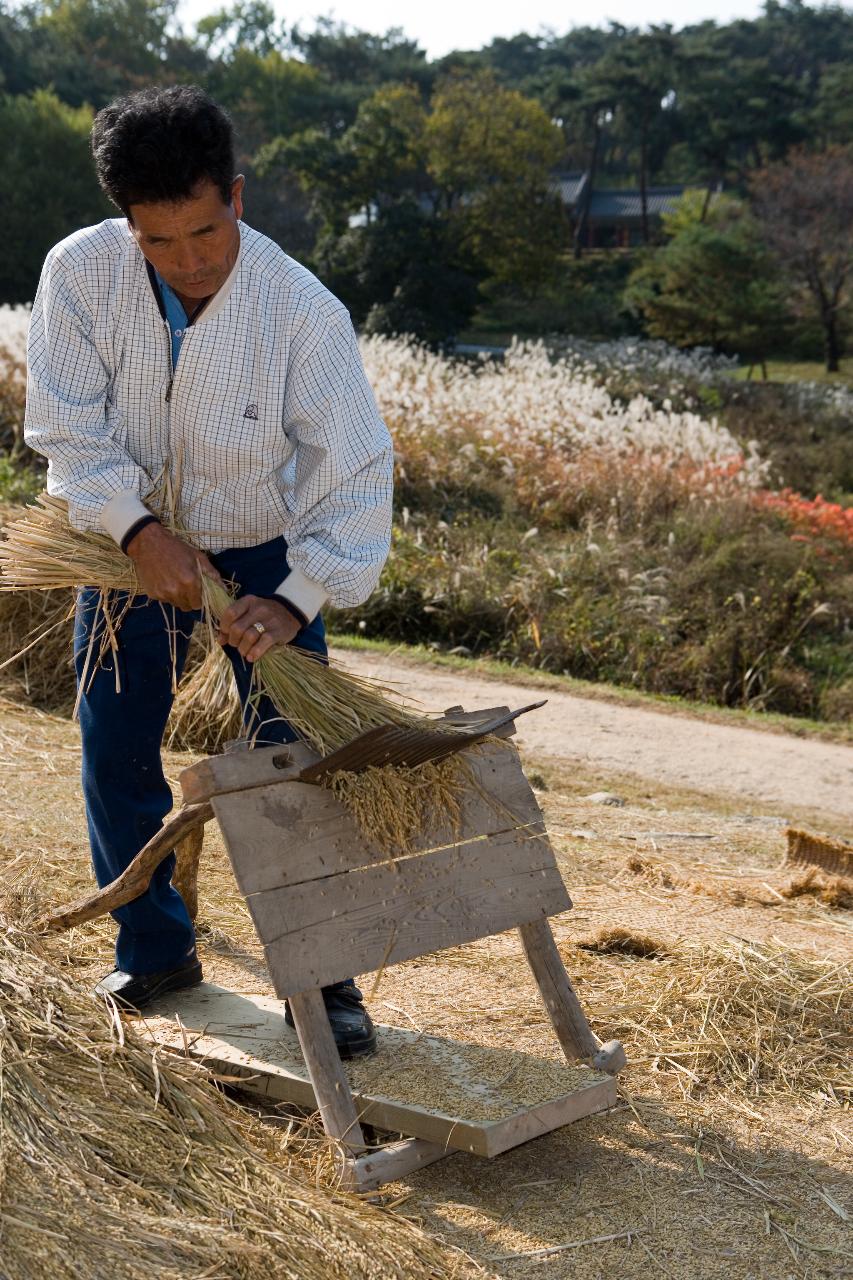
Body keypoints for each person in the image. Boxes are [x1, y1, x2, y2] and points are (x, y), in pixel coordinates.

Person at [24, 84, 394, 1059]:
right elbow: (66, 427)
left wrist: (295, 595)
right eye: (158, 241)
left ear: (234, 194)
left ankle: (326, 982)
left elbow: (352, 468)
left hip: (266, 543)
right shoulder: (79, 273)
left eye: (204, 231)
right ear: (125, 223)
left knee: (291, 766)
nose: (187, 261)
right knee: (114, 743)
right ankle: (154, 954)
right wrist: (136, 528)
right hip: (126, 539)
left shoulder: (302, 309)